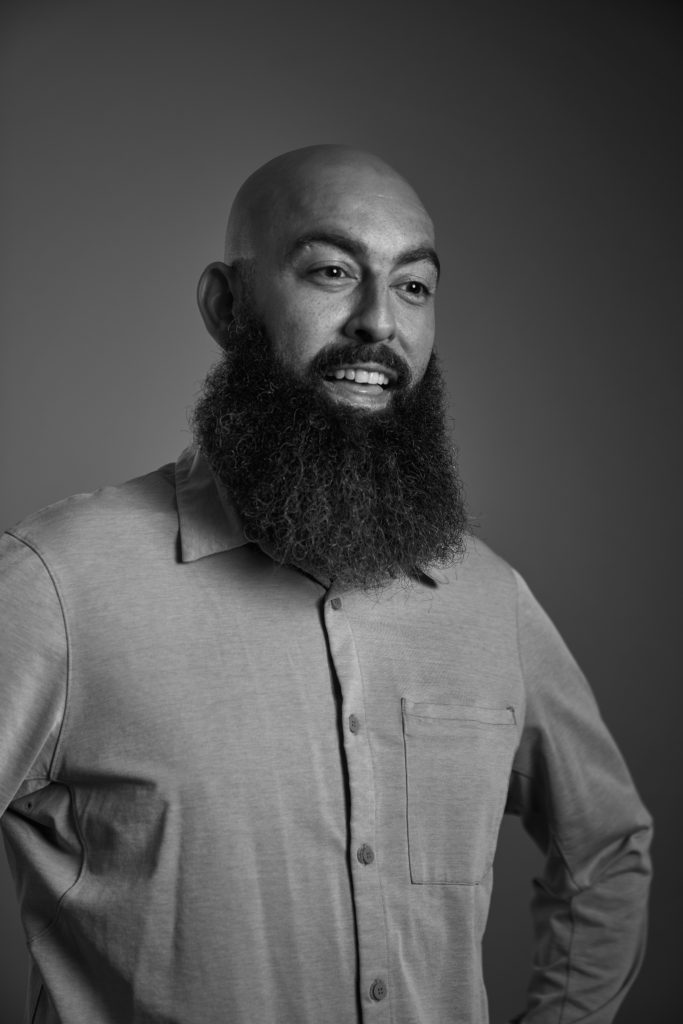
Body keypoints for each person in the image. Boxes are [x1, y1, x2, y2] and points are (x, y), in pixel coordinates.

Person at [0, 145, 652, 1024]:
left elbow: (606, 846)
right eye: (332, 272)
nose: (378, 321)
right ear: (227, 306)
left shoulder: (490, 602)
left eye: (413, 286)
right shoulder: (59, 585)